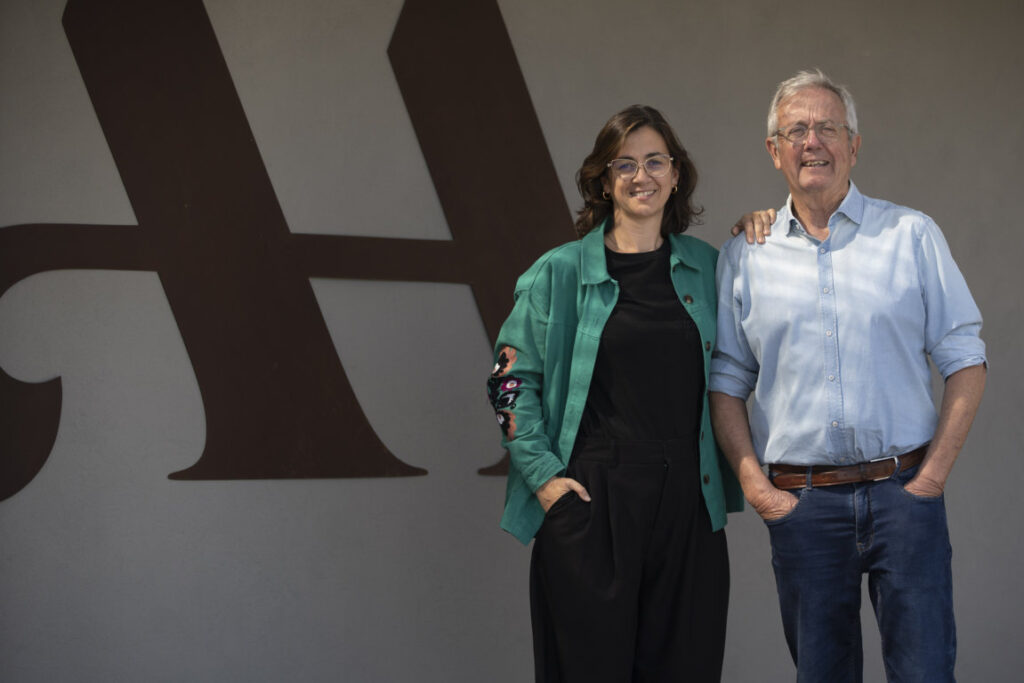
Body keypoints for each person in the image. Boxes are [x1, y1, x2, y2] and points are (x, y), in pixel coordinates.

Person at [709, 70, 987, 682]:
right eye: (797, 130)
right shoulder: (746, 254)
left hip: (904, 496)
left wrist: (933, 477)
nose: (813, 142)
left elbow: (965, 358)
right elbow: (727, 381)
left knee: (925, 675)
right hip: (802, 505)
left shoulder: (910, 235)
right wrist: (757, 488)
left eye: (827, 128)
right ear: (774, 150)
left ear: (853, 145)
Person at [486, 104, 766, 682]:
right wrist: (544, 480)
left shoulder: (709, 267)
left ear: (677, 174)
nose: (643, 176)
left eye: (656, 161)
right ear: (604, 181)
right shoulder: (558, 273)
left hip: (690, 501)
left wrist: (765, 226)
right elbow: (509, 380)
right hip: (593, 501)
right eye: (625, 164)